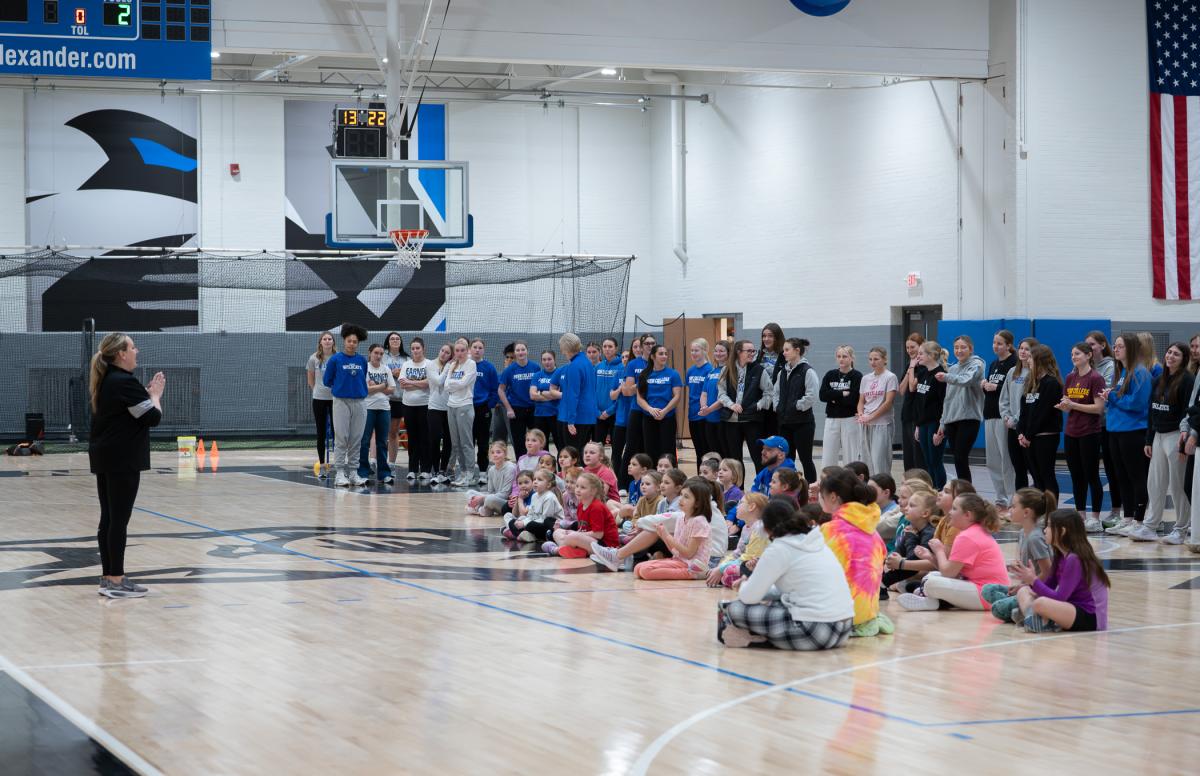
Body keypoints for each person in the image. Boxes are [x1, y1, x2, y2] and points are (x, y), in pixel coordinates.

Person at [716, 498, 855, 650]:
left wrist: (744, 585)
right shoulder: (815, 541)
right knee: (775, 602)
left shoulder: (779, 548)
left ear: (767, 527)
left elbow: (748, 597)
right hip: (844, 629)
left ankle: (757, 639)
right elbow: (788, 590)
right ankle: (765, 638)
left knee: (732, 609)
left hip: (815, 632)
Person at [89, 333, 164, 598]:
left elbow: (128, 412)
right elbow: (152, 418)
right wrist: (155, 396)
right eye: (132, 347)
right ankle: (116, 581)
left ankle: (109, 578)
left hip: (106, 456)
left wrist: (143, 395)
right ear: (121, 353)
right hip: (122, 459)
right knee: (118, 520)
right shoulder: (123, 381)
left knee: (109, 518)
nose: (136, 351)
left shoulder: (110, 380)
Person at [898, 493, 1009, 612]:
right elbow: (954, 571)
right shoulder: (972, 532)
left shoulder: (967, 537)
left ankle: (928, 599)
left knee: (931, 582)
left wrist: (939, 550)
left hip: (988, 595)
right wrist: (930, 557)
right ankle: (930, 600)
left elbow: (948, 573)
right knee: (931, 576)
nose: (950, 512)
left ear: (967, 515)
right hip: (988, 590)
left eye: (954, 508)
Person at [817, 468, 892, 637]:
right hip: (867, 612)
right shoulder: (873, 532)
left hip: (839, 614)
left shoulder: (830, 530)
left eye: (821, 493)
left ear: (833, 497)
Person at [1010, 509, 1110, 632]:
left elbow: (1059, 598)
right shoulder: (1060, 555)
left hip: (1090, 617)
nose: (1045, 530)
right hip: (1069, 607)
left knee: (1040, 603)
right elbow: (1048, 587)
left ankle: (1035, 618)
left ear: (1062, 531)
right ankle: (1036, 619)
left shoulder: (1075, 559)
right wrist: (1029, 583)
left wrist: (1034, 580)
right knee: (1024, 591)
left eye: (1050, 526)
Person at [1135, 341, 1194, 542]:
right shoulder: (1159, 379)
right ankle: (1150, 525)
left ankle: (1181, 528)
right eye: (1169, 352)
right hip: (1159, 436)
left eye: (1176, 354)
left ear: (1183, 358)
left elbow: (1188, 411)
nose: (1170, 356)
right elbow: (1152, 412)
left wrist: (1183, 439)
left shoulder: (1188, 380)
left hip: (1176, 434)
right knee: (1155, 482)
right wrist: (1148, 439)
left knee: (1177, 485)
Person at [980, 488, 1056, 622]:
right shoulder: (1022, 533)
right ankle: (1021, 611)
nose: (1010, 509)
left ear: (1026, 512)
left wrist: (1026, 586)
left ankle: (1031, 612)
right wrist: (1016, 573)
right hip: (1025, 588)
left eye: (1014, 506)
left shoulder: (1035, 538)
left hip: (1039, 591)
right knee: (987, 590)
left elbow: (1048, 572)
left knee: (997, 608)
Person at [1102, 333, 1152, 536]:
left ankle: (1140, 520)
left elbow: (1137, 404)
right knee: (1121, 477)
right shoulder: (1121, 371)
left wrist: (1112, 396)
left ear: (1130, 348)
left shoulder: (1140, 373)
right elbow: (1120, 399)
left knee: (1136, 476)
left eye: (1120, 346)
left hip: (1133, 432)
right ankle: (1128, 517)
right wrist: (1109, 396)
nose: (1115, 349)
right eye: (1115, 346)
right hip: (1116, 431)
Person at [1055, 341, 1107, 532]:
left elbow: (1099, 408)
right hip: (1071, 432)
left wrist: (1074, 405)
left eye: (1077, 354)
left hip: (1089, 433)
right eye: (1072, 354)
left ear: (1088, 355)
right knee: (1076, 476)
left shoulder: (1096, 378)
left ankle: (1095, 517)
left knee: (1091, 475)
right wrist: (1064, 405)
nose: (1074, 357)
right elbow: (1066, 400)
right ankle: (1080, 515)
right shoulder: (1070, 377)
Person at [628, 480, 714, 580]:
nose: (680, 499)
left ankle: (694, 574)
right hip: (679, 560)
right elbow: (675, 552)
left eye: (686, 497)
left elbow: (689, 554)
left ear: (697, 503)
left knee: (645, 571)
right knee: (638, 568)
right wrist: (664, 536)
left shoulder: (699, 521)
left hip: (693, 565)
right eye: (681, 495)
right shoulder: (681, 518)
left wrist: (667, 536)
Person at [717, 339, 775, 473]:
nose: (752, 353)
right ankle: (738, 491)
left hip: (752, 420)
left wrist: (758, 405)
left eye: (753, 351)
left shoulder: (759, 370)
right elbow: (721, 393)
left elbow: (769, 393)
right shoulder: (727, 369)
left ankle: (761, 489)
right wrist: (731, 405)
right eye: (749, 351)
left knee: (758, 457)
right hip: (731, 420)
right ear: (738, 352)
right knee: (734, 460)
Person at [323, 323, 370, 487]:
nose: (352, 344)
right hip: (341, 402)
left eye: (355, 342)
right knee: (341, 438)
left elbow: (362, 380)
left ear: (358, 344)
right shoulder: (335, 360)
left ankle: (354, 472)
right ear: (344, 341)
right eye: (349, 341)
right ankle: (340, 473)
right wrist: (341, 388)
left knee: (357, 439)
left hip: (360, 402)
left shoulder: (362, 360)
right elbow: (327, 380)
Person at [936, 335, 985, 483]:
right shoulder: (953, 368)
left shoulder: (977, 364)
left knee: (961, 456)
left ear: (970, 349)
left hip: (969, 418)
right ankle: (962, 492)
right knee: (957, 459)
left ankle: (966, 492)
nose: (959, 350)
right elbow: (948, 399)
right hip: (952, 419)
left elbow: (966, 380)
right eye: (956, 348)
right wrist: (942, 423)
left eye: (963, 347)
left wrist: (946, 377)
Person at [1017, 344, 1064, 497]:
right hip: (1029, 437)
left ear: (1040, 360)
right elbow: (1023, 411)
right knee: (1036, 477)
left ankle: (1050, 515)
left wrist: (1029, 435)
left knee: (1047, 475)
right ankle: (1040, 512)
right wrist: (1021, 433)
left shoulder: (1051, 383)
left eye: (1031, 357)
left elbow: (1043, 413)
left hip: (1045, 436)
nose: (1028, 360)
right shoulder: (1030, 382)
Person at [1086, 330, 1122, 524]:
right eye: (1087, 345)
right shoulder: (1086, 366)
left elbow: (1103, 391)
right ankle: (1089, 514)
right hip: (1090, 425)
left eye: (1092, 344)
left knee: (1112, 468)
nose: (1089, 348)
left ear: (1101, 345)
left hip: (1108, 424)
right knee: (1090, 469)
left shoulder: (1110, 366)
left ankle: (1117, 510)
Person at [543, 472, 619, 558]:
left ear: (593, 491)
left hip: (605, 546)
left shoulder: (596, 507)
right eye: (577, 486)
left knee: (572, 536)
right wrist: (573, 533)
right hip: (590, 540)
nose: (578, 490)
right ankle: (578, 551)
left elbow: (598, 534)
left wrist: (575, 534)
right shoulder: (581, 505)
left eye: (583, 487)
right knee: (557, 532)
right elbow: (583, 529)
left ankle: (556, 550)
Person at [775, 337, 819, 482]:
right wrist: (778, 406)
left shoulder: (807, 371)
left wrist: (796, 406)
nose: (784, 353)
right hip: (785, 423)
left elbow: (812, 396)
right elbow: (776, 392)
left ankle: (812, 491)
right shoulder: (782, 372)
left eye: (787, 350)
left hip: (803, 423)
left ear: (797, 351)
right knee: (787, 459)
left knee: (806, 460)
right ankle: (789, 489)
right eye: (783, 350)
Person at [982, 330, 1018, 507]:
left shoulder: (1014, 363)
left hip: (1004, 416)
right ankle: (1000, 496)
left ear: (1009, 345)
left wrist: (995, 386)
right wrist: (985, 385)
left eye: (999, 343)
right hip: (989, 414)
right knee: (993, 459)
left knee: (1006, 458)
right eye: (994, 343)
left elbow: (1012, 388)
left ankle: (1013, 496)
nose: (995, 346)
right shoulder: (994, 364)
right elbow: (990, 388)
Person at [1000, 337, 1038, 495]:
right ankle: (1020, 504)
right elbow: (1004, 398)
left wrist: (1016, 419)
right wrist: (1006, 416)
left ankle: (1039, 504)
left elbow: (1031, 403)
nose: (1023, 351)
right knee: (1019, 469)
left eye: (1027, 349)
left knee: (1034, 468)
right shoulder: (1012, 372)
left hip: (1027, 429)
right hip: (1012, 427)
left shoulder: (1036, 373)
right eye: (1021, 348)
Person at [618, 334, 657, 485]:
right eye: (646, 343)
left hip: (653, 412)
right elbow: (627, 391)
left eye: (653, 343)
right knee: (631, 447)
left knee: (650, 448)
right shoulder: (633, 364)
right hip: (637, 410)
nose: (650, 345)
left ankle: (651, 482)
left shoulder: (659, 363)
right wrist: (642, 382)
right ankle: (623, 484)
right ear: (641, 347)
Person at [882, 489, 936, 594]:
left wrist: (911, 537)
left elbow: (915, 558)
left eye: (911, 506)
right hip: (911, 569)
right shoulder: (911, 528)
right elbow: (899, 550)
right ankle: (883, 582)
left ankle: (883, 583)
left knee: (903, 575)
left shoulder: (929, 532)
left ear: (925, 513)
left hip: (924, 572)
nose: (906, 508)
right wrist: (891, 561)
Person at [637, 345, 683, 465]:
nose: (664, 356)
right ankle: (652, 480)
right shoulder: (644, 374)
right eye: (661, 354)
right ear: (653, 357)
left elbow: (677, 396)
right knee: (650, 449)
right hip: (649, 417)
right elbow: (639, 398)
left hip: (667, 417)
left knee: (668, 450)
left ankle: (672, 479)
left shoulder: (673, 374)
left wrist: (664, 411)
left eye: (665, 354)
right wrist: (650, 409)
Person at [856, 346, 898, 476]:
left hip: (882, 424)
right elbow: (861, 401)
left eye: (876, 359)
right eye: (870, 359)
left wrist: (871, 417)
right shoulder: (865, 378)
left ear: (884, 360)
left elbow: (888, 402)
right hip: (865, 424)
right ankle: (871, 492)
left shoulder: (890, 377)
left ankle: (885, 492)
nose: (873, 362)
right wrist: (862, 414)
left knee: (880, 462)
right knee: (866, 462)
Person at [359, 343, 397, 484]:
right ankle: (362, 472)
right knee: (364, 441)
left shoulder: (386, 369)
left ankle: (384, 473)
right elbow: (364, 390)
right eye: (376, 353)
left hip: (384, 409)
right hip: (368, 408)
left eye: (381, 353)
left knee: (382, 442)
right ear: (370, 353)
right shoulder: (365, 368)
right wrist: (381, 386)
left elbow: (392, 388)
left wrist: (374, 387)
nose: (379, 356)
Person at [820, 346, 864, 468]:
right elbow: (822, 395)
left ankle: (851, 482)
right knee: (828, 454)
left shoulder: (857, 376)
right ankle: (828, 481)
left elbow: (852, 400)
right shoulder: (830, 374)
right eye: (839, 356)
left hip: (850, 419)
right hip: (831, 419)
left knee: (851, 454)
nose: (841, 359)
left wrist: (833, 398)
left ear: (852, 358)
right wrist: (842, 394)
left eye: (844, 356)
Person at [913, 341, 949, 489]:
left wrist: (941, 429)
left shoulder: (941, 375)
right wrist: (917, 425)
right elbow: (919, 402)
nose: (918, 356)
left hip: (935, 423)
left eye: (921, 353)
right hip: (923, 423)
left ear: (931, 355)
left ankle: (940, 491)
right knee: (927, 461)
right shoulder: (922, 373)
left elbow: (944, 404)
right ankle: (932, 491)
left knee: (935, 460)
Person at [444, 340, 479, 487]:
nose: (459, 353)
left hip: (465, 405)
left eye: (462, 350)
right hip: (451, 405)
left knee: (466, 442)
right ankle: (463, 472)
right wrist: (453, 384)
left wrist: (453, 384)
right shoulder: (452, 365)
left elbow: (464, 383)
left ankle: (470, 473)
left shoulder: (471, 364)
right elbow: (446, 386)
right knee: (456, 443)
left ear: (467, 351)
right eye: (457, 350)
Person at [498, 341, 540, 459]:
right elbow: (500, 390)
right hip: (517, 409)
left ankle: (537, 464)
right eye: (518, 350)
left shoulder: (535, 367)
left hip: (533, 409)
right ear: (515, 353)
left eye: (523, 349)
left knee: (536, 439)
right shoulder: (509, 370)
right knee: (519, 441)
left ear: (527, 351)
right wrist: (509, 408)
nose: (520, 352)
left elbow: (540, 386)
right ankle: (521, 467)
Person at [557, 333, 599, 451]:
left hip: (577, 417)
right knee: (581, 454)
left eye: (562, 348)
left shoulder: (574, 366)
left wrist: (571, 420)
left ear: (566, 348)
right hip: (588, 416)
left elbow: (573, 395)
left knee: (573, 456)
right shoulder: (587, 363)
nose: (562, 352)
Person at [398, 337, 432, 481]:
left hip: (425, 405)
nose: (415, 351)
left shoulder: (429, 364)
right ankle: (412, 469)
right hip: (408, 406)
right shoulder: (406, 364)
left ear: (423, 348)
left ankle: (425, 469)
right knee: (413, 438)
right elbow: (402, 384)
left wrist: (411, 382)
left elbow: (429, 383)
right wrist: (419, 383)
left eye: (418, 348)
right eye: (413, 348)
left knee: (425, 437)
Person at [611, 336, 643, 483]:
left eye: (639, 346)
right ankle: (620, 480)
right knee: (617, 452)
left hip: (637, 415)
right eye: (634, 347)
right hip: (621, 418)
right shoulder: (620, 373)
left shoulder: (648, 368)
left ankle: (634, 480)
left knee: (636, 449)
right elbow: (617, 394)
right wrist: (622, 387)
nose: (637, 349)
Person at [469, 339, 500, 484]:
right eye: (474, 347)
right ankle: (468, 472)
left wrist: (489, 405)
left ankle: (482, 472)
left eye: (480, 347)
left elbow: (495, 389)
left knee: (482, 442)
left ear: (484, 350)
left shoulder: (489, 367)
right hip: (466, 406)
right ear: (470, 349)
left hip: (483, 408)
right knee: (468, 442)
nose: (477, 350)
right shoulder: (465, 365)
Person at [307, 331, 336, 477]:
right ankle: (323, 465)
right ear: (320, 342)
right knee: (321, 432)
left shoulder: (337, 358)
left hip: (335, 398)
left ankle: (340, 465)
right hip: (319, 399)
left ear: (333, 342)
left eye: (329, 339)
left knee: (338, 431)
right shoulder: (314, 358)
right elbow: (310, 379)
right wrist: (316, 391)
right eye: (324, 339)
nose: (327, 341)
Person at [898, 333, 927, 471]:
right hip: (907, 413)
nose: (910, 350)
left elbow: (912, 386)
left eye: (912, 347)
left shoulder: (924, 366)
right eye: (907, 347)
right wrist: (910, 367)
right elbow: (902, 390)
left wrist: (913, 367)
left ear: (921, 346)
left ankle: (921, 487)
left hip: (919, 415)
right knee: (908, 455)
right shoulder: (910, 365)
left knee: (918, 456)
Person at [426, 343, 454, 483]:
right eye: (442, 350)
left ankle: (443, 470)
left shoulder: (454, 366)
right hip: (434, 408)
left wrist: (450, 367)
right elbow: (438, 381)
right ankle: (435, 470)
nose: (443, 354)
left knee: (449, 441)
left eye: (447, 352)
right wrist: (447, 368)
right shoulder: (431, 365)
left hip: (449, 408)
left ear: (451, 356)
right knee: (435, 440)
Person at [698, 340, 731, 459]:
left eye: (722, 351)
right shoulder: (711, 371)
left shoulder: (729, 371)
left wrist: (709, 409)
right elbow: (704, 393)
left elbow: (725, 396)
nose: (718, 353)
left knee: (725, 455)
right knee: (713, 455)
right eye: (716, 351)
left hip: (722, 420)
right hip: (709, 419)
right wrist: (704, 407)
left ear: (728, 353)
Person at [685, 338, 715, 469]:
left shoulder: (710, 370)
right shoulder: (690, 371)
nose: (693, 353)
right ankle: (700, 481)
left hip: (705, 416)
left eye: (696, 350)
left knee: (707, 451)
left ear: (704, 351)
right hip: (692, 415)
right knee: (698, 451)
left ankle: (710, 481)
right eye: (692, 350)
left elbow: (708, 394)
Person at [466, 441, 518, 516]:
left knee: (489, 499)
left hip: (505, 502)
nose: (495, 455)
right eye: (492, 453)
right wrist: (481, 498)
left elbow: (505, 494)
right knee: (470, 493)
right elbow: (491, 491)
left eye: (498, 452)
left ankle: (482, 508)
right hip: (493, 497)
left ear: (505, 454)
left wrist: (481, 498)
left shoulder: (510, 468)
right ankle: (485, 509)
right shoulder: (491, 469)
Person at [383, 332, 409, 471]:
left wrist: (401, 375)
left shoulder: (406, 359)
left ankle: (391, 463)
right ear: (388, 341)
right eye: (392, 338)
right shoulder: (382, 356)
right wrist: (390, 373)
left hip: (399, 398)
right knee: (379, 432)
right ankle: (376, 461)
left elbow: (410, 379)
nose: (395, 340)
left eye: (397, 338)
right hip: (383, 398)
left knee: (393, 432)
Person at [755, 322, 786, 436]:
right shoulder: (758, 355)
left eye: (770, 336)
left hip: (777, 405)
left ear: (777, 337)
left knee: (775, 439)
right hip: (761, 403)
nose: (766, 339)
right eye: (764, 336)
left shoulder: (784, 355)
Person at [594, 338, 623, 450]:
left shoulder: (622, 367)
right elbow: (591, 391)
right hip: (598, 414)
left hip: (615, 414)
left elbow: (621, 395)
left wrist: (609, 411)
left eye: (610, 346)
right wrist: (597, 411)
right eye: (605, 346)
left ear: (616, 348)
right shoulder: (598, 367)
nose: (607, 349)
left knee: (616, 450)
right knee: (597, 449)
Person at [530, 350, 561, 453]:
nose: (547, 362)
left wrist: (540, 392)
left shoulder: (560, 374)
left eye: (549, 359)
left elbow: (560, 395)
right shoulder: (537, 375)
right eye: (544, 359)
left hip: (556, 414)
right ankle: (545, 469)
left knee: (560, 444)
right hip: (540, 415)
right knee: (542, 446)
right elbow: (532, 395)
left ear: (554, 360)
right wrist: (550, 395)